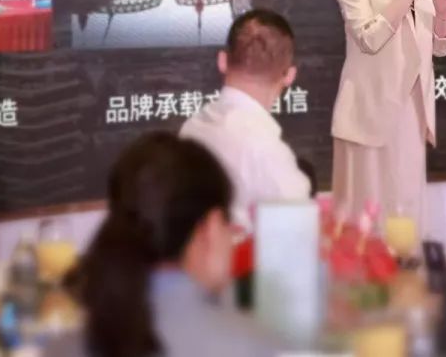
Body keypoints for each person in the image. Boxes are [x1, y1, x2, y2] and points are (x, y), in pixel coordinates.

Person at [45, 133, 279, 357]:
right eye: (229, 223)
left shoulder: (62, 348)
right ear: (211, 227)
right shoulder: (253, 347)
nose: (232, 236)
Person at [331, 0, 446, 231]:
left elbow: (440, 47)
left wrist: (444, 12)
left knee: (408, 218)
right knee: (368, 224)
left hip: (413, 113)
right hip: (369, 113)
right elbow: (369, 38)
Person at [178, 9, 310, 225]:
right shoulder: (271, 157)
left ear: (222, 61)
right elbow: (297, 238)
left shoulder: (190, 129)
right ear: (289, 75)